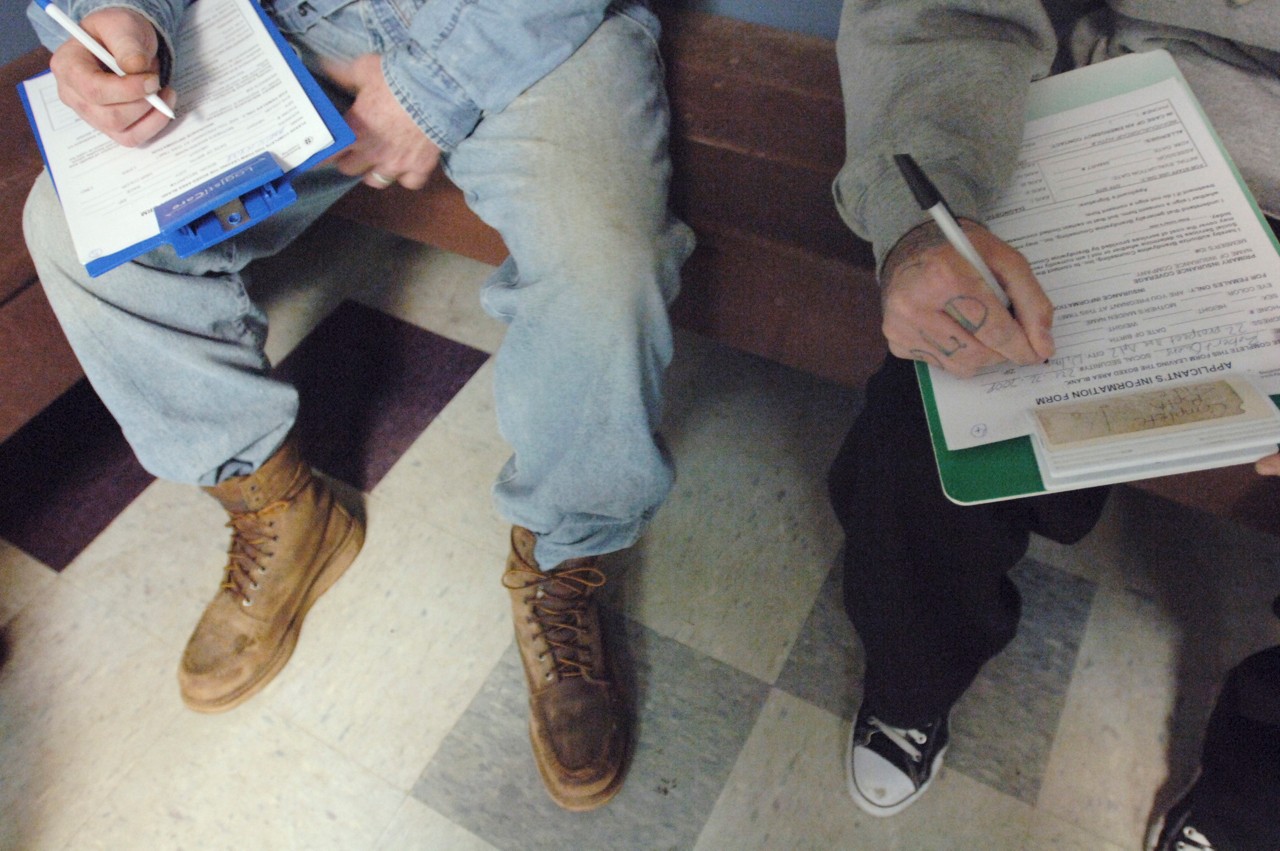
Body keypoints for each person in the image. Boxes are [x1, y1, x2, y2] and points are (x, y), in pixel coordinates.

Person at [23, 0, 693, 812]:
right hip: (285, 21)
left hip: (527, 22)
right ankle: (281, 508)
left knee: (605, 263)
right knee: (70, 229)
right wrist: (120, 17)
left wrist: (428, 88)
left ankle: (565, 561)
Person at [827, 0, 1280, 846]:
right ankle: (912, 677)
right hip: (1132, 110)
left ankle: (1258, 792)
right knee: (931, 427)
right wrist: (916, 221)